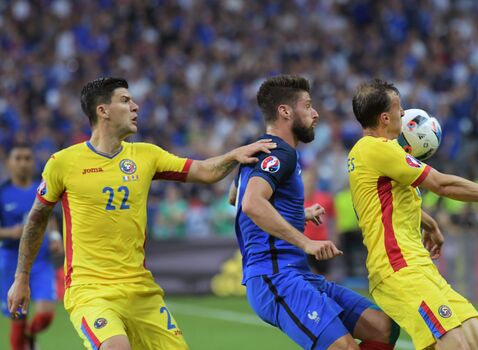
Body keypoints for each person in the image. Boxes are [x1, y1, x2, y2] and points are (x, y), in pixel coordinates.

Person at [7, 77, 276, 350]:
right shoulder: (62, 163)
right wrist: (21, 277)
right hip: (91, 291)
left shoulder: (146, 155)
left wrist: (235, 155)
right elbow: (37, 217)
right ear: (103, 110)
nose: (135, 106)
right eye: (125, 100)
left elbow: (204, 171)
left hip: (141, 291)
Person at [348, 79, 478, 350]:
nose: (404, 113)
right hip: (398, 268)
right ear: (385, 117)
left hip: (420, 266)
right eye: (399, 108)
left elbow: (385, 204)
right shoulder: (376, 148)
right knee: (455, 344)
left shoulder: (374, 155)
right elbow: (441, 184)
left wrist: (429, 222)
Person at [230, 75, 399, 350]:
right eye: (307, 106)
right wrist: (306, 241)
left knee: (383, 328)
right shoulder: (281, 154)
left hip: (298, 274)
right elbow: (250, 203)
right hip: (276, 278)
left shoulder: (259, 150)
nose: (315, 113)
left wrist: (298, 213)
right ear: (285, 111)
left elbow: (235, 196)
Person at [1, 144, 63, 350]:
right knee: (18, 317)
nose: (23, 163)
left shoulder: (42, 189)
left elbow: (50, 218)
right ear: (9, 163)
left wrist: (55, 236)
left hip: (41, 261)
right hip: (11, 262)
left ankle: (30, 336)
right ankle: (23, 340)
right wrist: (10, 232)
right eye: (18, 158)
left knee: (46, 314)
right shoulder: (2, 193)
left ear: (33, 162)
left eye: (27, 158)